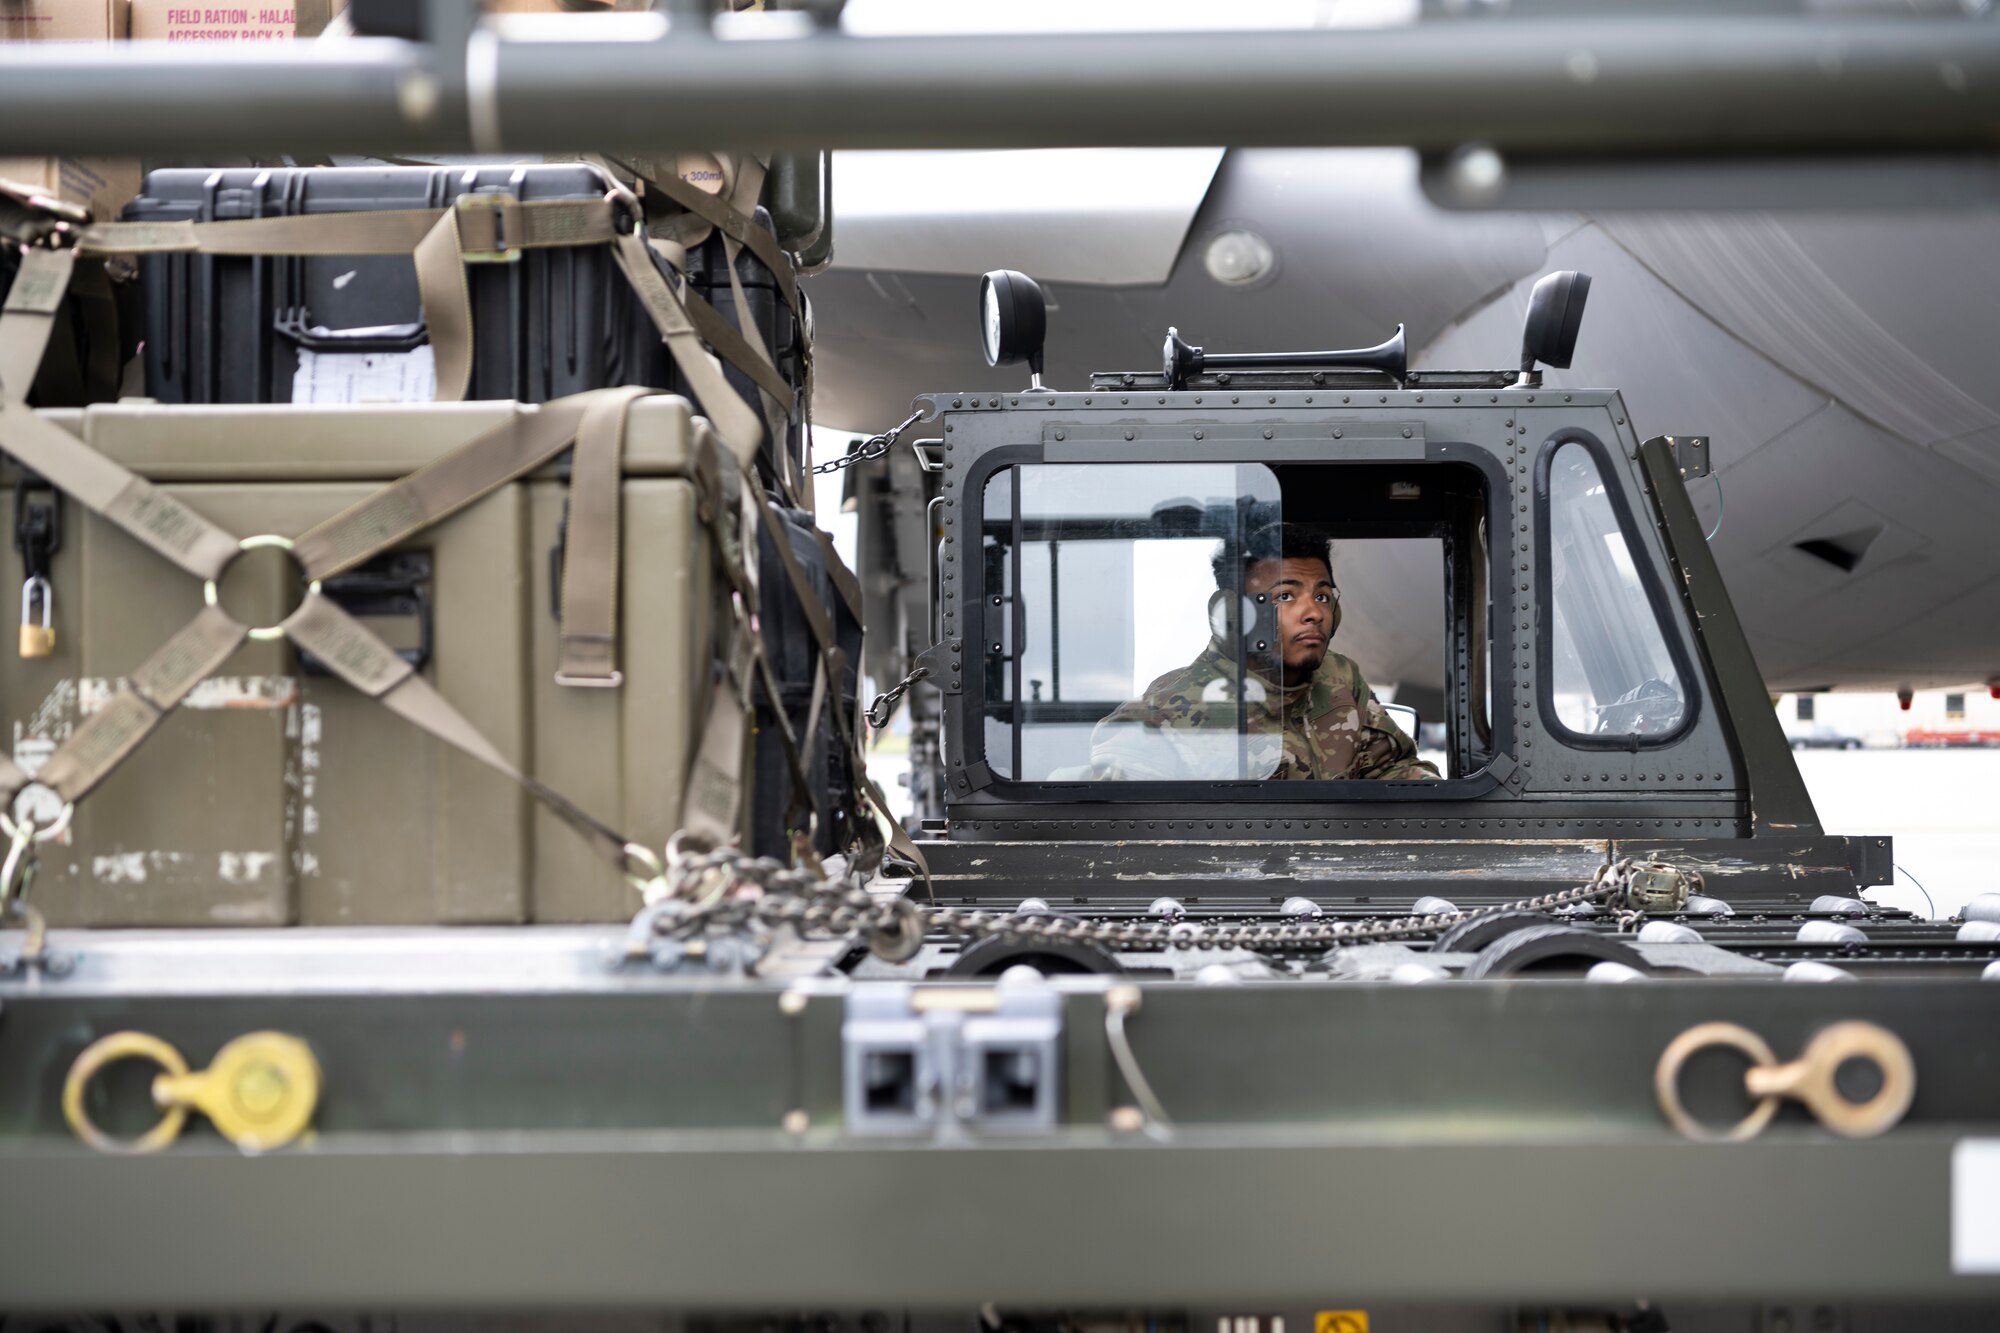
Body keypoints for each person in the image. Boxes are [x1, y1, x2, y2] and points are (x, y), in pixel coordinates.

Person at [1088, 525, 1438, 781]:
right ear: (1233, 616)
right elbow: (1127, 825)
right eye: (1285, 596)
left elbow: (1391, 769)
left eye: (1322, 595)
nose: (1314, 613)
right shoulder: (1165, 709)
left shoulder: (1339, 677)